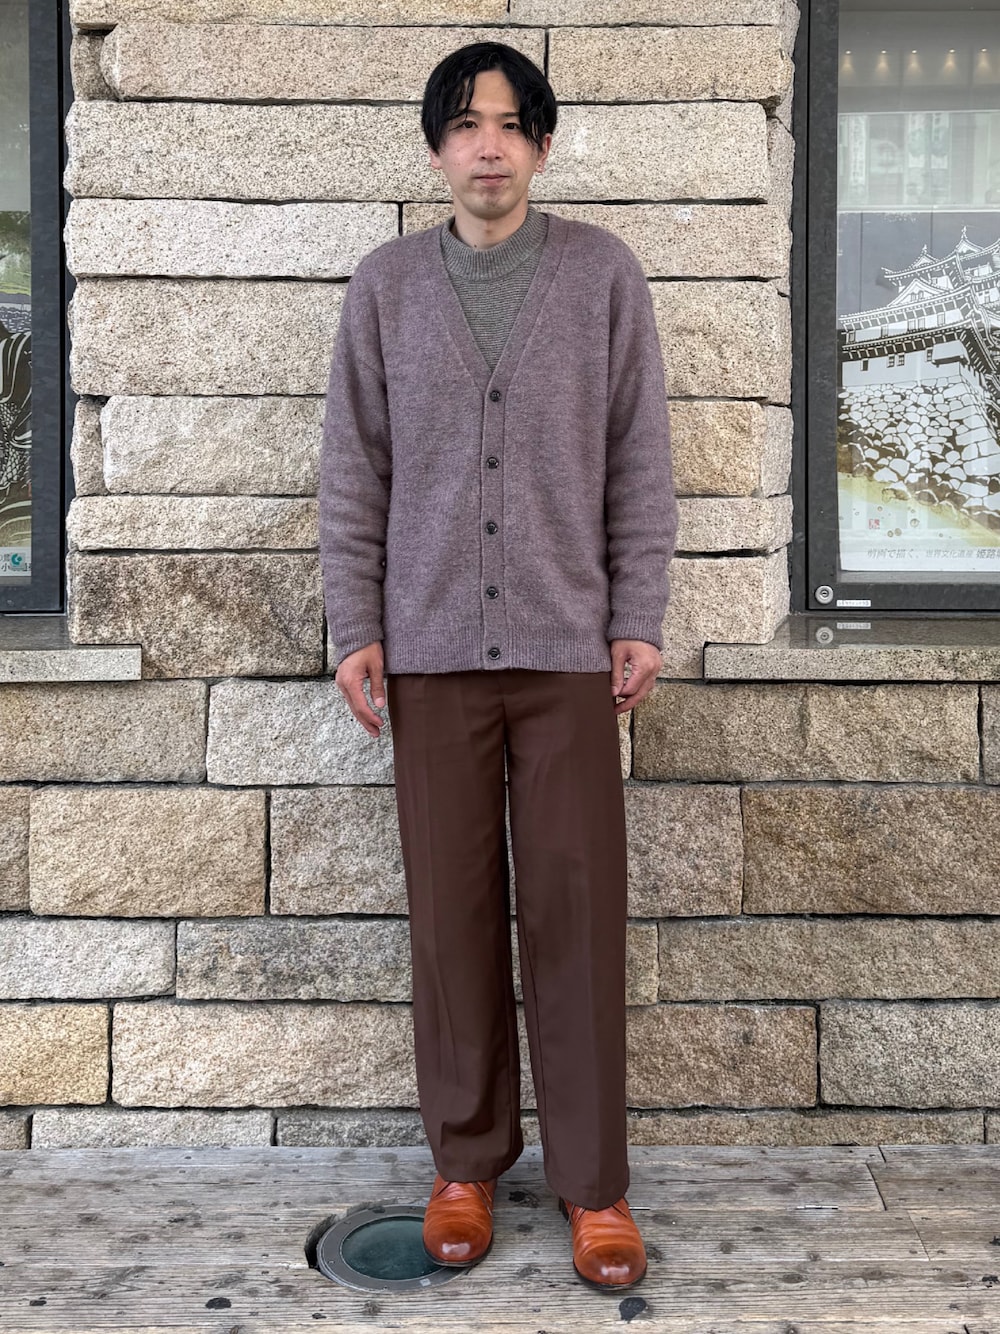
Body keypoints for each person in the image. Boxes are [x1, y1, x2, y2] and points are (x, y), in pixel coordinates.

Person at [319, 40, 678, 1292]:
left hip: (568, 650)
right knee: (450, 916)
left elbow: (638, 456)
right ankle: (464, 1161)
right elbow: (353, 469)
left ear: (541, 144)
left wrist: (637, 610)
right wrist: (354, 624)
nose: (489, 145)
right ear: (435, 147)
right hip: (427, 652)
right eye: (467, 124)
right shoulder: (384, 288)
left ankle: (595, 1183)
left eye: (512, 124)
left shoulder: (601, 276)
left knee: (576, 916)